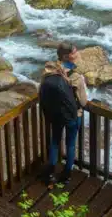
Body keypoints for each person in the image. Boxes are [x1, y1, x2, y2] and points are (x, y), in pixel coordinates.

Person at [38, 42, 88, 185]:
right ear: (68, 56)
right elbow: (83, 102)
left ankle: (50, 173)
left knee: (55, 142)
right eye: (75, 51)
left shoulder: (50, 70)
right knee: (70, 144)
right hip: (73, 115)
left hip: (55, 114)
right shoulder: (76, 76)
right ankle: (66, 176)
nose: (77, 53)